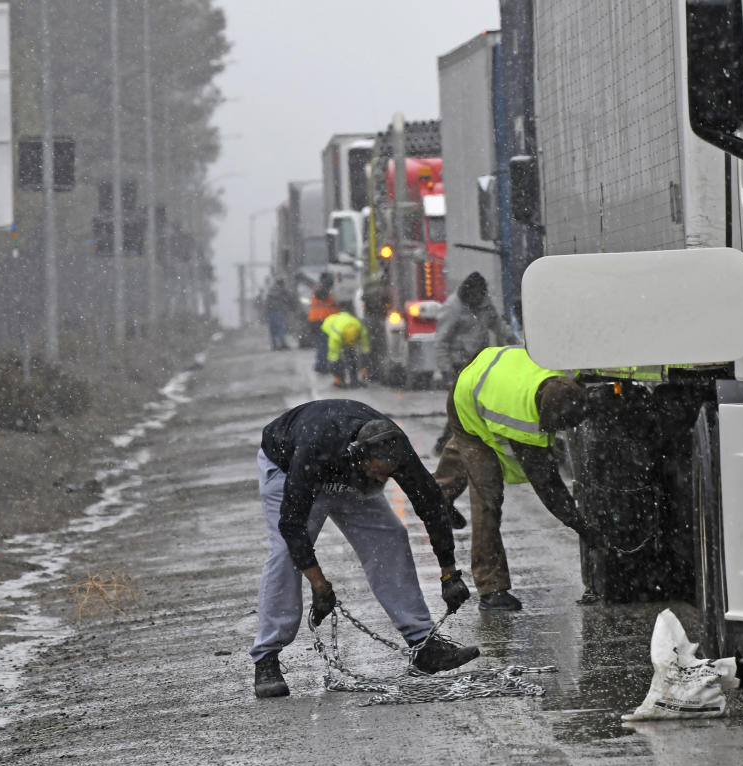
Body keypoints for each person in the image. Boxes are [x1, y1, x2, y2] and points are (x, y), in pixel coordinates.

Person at [252, 399, 479, 698]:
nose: (383, 481)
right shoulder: (315, 448)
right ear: (359, 456)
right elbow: (292, 526)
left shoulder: (394, 450)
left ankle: (424, 644)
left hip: (348, 474)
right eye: (378, 474)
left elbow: (432, 505)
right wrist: (320, 586)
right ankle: (266, 657)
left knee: (391, 536)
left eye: (389, 475)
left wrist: (449, 573)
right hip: (290, 469)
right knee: (285, 555)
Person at [434, 346, 600, 611]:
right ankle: (491, 589)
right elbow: (548, 487)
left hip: (485, 369)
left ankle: (438, 497)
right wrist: (583, 527)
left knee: (472, 441)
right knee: (487, 492)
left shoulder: (561, 372)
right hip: (465, 395)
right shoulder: (519, 419)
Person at [432, 272, 519, 455]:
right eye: (477, 294)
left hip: (480, 362)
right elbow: (441, 342)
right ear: (468, 292)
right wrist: (446, 371)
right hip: (460, 365)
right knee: (461, 406)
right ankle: (448, 444)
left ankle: (460, 442)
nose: (479, 298)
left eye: (482, 294)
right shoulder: (452, 309)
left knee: (477, 403)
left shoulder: (484, 304)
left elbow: (496, 324)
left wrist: (514, 340)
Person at [321, 310, 371, 388]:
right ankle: (340, 379)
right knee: (336, 359)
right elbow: (333, 358)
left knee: (352, 357)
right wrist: (336, 374)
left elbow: (364, 350)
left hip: (343, 324)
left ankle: (354, 380)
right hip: (328, 327)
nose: (352, 344)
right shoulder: (335, 337)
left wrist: (364, 367)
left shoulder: (361, 330)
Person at [307, 273, 341, 373]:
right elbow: (322, 295)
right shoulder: (322, 288)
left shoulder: (322, 288)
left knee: (323, 343)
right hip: (322, 320)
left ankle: (322, 364)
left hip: (319, 320)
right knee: (324, 344)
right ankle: (321, 365)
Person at [264, 277, 297, 350]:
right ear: (282, 284)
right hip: (278, 311)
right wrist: (293, 308)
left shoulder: (271, 291)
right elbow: (289, 298)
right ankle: (283, 344)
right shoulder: (282, 291)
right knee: (280, 328)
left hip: (271, 312)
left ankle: (274, 345)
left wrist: (265, 313)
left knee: (273, 330)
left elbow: (266, 303)